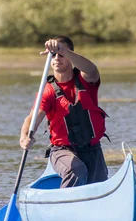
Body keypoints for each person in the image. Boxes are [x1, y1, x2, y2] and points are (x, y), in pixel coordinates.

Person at [19, 36, 109, 188]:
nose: (56, 59)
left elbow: (92, 70)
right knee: (76, 169)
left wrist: (62, 50)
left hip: (93, 150)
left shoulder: (85, 80)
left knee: (98, 187)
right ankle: (63, 205)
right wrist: (25, 136)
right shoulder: (48, 91)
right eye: (53, 55)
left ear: (70, 56)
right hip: (62, 151)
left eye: (61, 55)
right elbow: (33, 117)